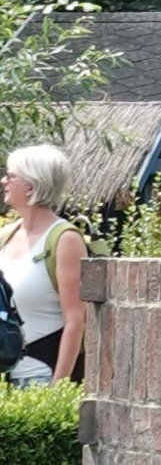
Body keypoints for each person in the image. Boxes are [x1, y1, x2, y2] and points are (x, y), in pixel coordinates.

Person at [0, 147, 89, 385]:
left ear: (31, 185)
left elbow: (76, 320)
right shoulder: (6, 236)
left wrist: (57, 390)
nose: (3, 181)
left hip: (38, 377)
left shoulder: (64, 239)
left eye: (10, 176)